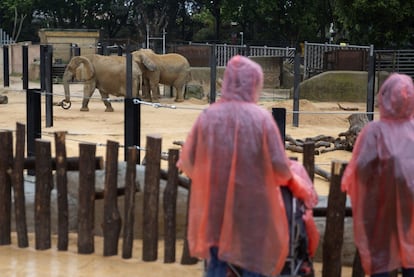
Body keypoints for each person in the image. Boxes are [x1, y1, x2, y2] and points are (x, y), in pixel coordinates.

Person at [176, 55, 318, 277]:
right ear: (255, 83)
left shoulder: (207, 116)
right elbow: (280, 168)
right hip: (254, 211)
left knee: (217, 263)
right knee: (253, 263)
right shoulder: (261, 119)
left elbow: (188, 162)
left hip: (216, 208)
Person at [341, 73, 414, 277]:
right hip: (411, 206)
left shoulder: (375, 131)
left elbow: (361, 167)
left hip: (381, 205)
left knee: (381, 257)